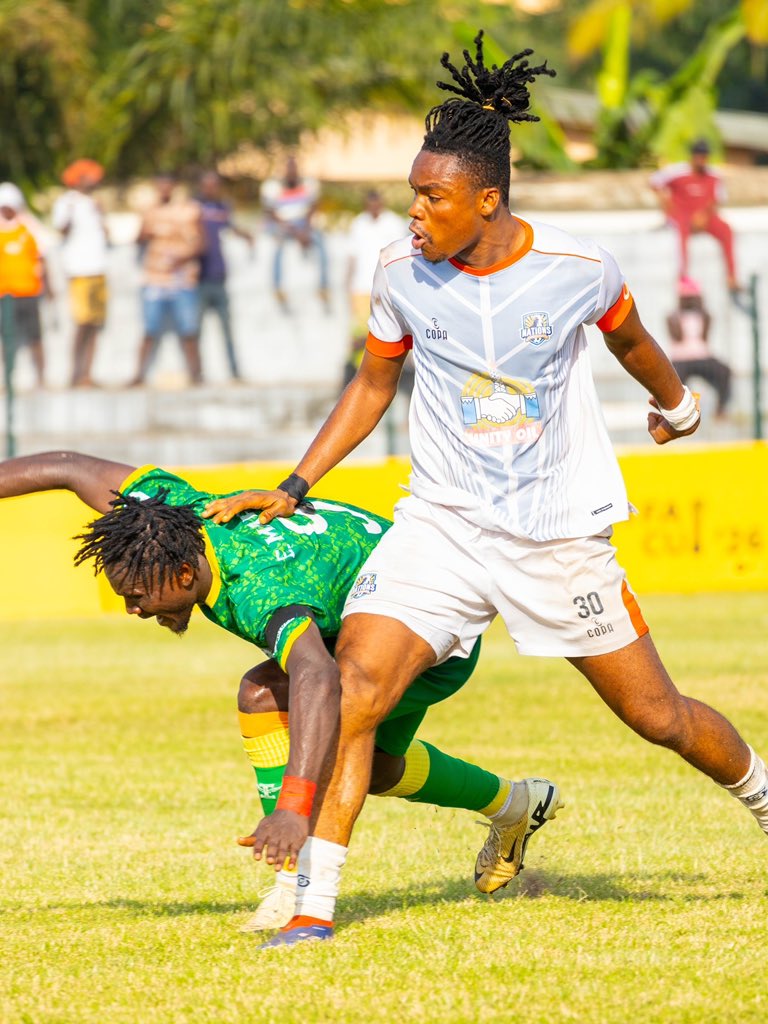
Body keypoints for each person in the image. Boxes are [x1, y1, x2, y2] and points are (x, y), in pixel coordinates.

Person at [205, 32, 768, 949]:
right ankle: (314, 906)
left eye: (432, 197)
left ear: (488, 199)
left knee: (656, 715)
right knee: (357, 688)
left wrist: (677, 402)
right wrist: (297, 480)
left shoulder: (579, 271)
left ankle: (762, 795)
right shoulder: (398, 273)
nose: (414, 214)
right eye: (412, 196)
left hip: (556, 537)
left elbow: (630, 341)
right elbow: (374, 384)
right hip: (443, 524)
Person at [0, 449, 561, 937]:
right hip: (373, 616)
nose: (134, 609)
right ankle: (517, 804)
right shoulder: (164, 511)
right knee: (378, 769)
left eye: (140, 595)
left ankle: (293, 883)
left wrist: (293, 809)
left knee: (265, 696)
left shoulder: (259, 587)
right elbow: (67, 468)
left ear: (182, 572)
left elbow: (316, 676)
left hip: (427, 624)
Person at [130, 173, 205, 387]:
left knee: (189, 329)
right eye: (160, 184)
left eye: (167, 184)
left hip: (183, 278)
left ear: (174, 186)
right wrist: (144, 232)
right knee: (149, 329)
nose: (164, 188)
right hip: (154, 278)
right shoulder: (149, 212)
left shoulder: (189, 210)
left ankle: (197, 376)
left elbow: (201, 244)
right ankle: (138, 376)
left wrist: (182, 257)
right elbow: (138, 240)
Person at [650, 139, 739, 293]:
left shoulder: (713, 175)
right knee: (681, 230)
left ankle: (732, 277)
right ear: (692, 156)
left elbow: (716, 199)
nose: (701, 159)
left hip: (704, 216)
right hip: (681, 214)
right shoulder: (676, 172)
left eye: (704, 156)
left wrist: (704, 215)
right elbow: (654, 182)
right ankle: (683, 277)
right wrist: (666, 204)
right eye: (698, 155)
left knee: (726, 230)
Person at [51, 159, 110, 388]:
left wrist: (100, 213)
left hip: (99, 269)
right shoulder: (67, 202)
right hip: (79, 270)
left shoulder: (94, 203)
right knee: (82, 323)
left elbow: (106, 234)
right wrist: (72, 210)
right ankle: (74, 374)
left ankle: (87, 374)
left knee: (95, 323)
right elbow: (61, 229)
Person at [342, 190, 406, 390]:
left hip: (386, 288)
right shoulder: (358, 224)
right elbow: (351, 258)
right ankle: (361, 376)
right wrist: (347, 286)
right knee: (361, 335)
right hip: (361, 289)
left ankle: (386, 376)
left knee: (387, 333)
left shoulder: (394, 223)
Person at [196, 171, 254, 382]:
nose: (211, 188)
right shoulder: (194, 208)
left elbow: (231, 228)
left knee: (227, 330)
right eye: (207, 184)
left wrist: (247, 235)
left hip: (219, 277)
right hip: (199, 279)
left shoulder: (223, 207)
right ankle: (197, 373)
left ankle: (234, 372)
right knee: (197, 330)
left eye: (214, 185)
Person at [260, 157, 330, 313]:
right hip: (282, 226)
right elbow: (271, 213)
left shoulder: (307, 185)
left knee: (321, 243)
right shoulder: (273, 187)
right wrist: (294, 231)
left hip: (301, 225)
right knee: (277, 247)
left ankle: (323, 287)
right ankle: (278, 287)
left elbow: (313, 207)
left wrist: (304, 230)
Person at [0, 182, 49, 388]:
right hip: (4, 294)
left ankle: (41, 379)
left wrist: (48, 286)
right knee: (6, 339)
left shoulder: (29, 226)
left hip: (28, 291)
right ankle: (7, 381)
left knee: (34, 336)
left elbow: (42, 257)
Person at [667, 278, 731, 418]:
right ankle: (679, 414)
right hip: (681, 359)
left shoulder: (704, 316)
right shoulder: (673, 317)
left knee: (724, 372)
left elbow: (704, 336)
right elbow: (677, 336)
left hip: (702, 357)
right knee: (673, 384)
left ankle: (721, 409)